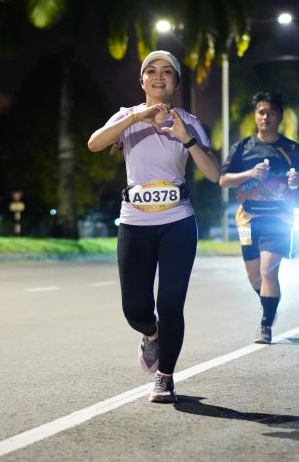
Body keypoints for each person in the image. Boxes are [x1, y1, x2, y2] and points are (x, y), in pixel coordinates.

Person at [87, 50, 220, 403]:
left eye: (167, 72)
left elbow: (213, 174)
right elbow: (94, 143)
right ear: (142, 81)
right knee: (135, 308)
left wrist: (187, 138)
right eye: (151, 71)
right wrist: (136, 118)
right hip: (135, 222)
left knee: (171, 303)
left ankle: (165, 377)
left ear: (176, 83)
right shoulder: (126, 116)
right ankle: (152, 335)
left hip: (178, 221)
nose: (159, 76)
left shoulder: (189, 121)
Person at [219, 91, 299, 344]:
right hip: (248, 218)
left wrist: (297, 180)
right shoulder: (242, 148)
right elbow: (223, 180)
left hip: (279, 218)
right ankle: (270, 304)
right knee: (254, 276)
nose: (265, 117)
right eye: (261, 112)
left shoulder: (293, 149)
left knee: (268, 270)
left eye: (271, 112)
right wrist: (250, 173)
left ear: (280, 116)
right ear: (255, 115)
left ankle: (265, 326)